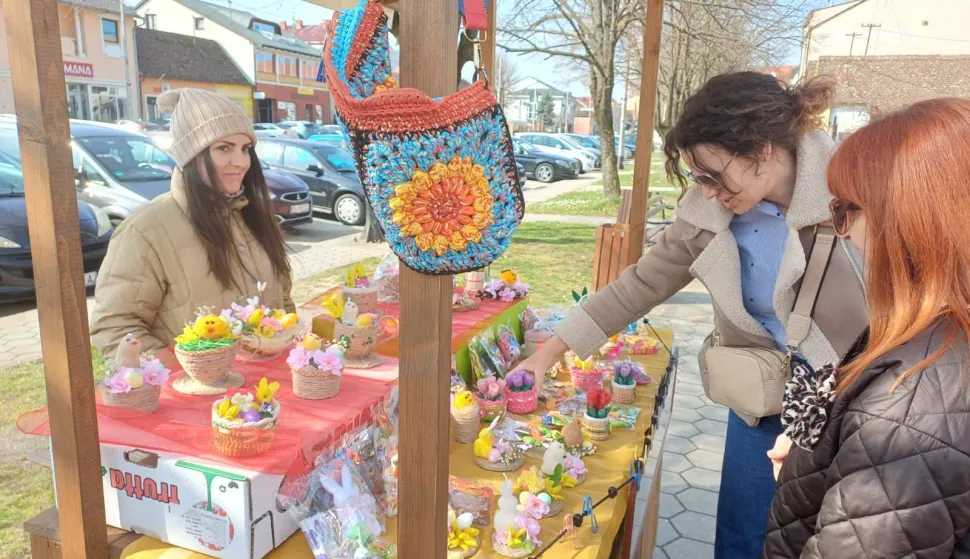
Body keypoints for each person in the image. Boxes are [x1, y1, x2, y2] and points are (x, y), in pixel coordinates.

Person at [516, 72, 869, 558]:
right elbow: (638, 285)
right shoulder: (708, 214)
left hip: (852, 407)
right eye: (695, 178)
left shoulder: (856, 190)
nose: (705, 191)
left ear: (761, 151)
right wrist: (548, 353)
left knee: (837, 540)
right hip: (760, 405)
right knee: (743, 540)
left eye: (711, 174)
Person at [763, 98, 970, 558]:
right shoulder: (932, 343)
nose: (845, 232)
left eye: (846, 211)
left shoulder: (914, 399)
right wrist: (817, 463)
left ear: (911, 220)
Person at [90, 88, 294, 357]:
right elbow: (115, 329)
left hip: (270, 391)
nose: (241, 162)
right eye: (224, 148)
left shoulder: (255, 217)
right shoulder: (146, 230)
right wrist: (186, 371)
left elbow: (284, 301)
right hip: (200, 394)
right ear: (191, 155)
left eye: (245, 149)